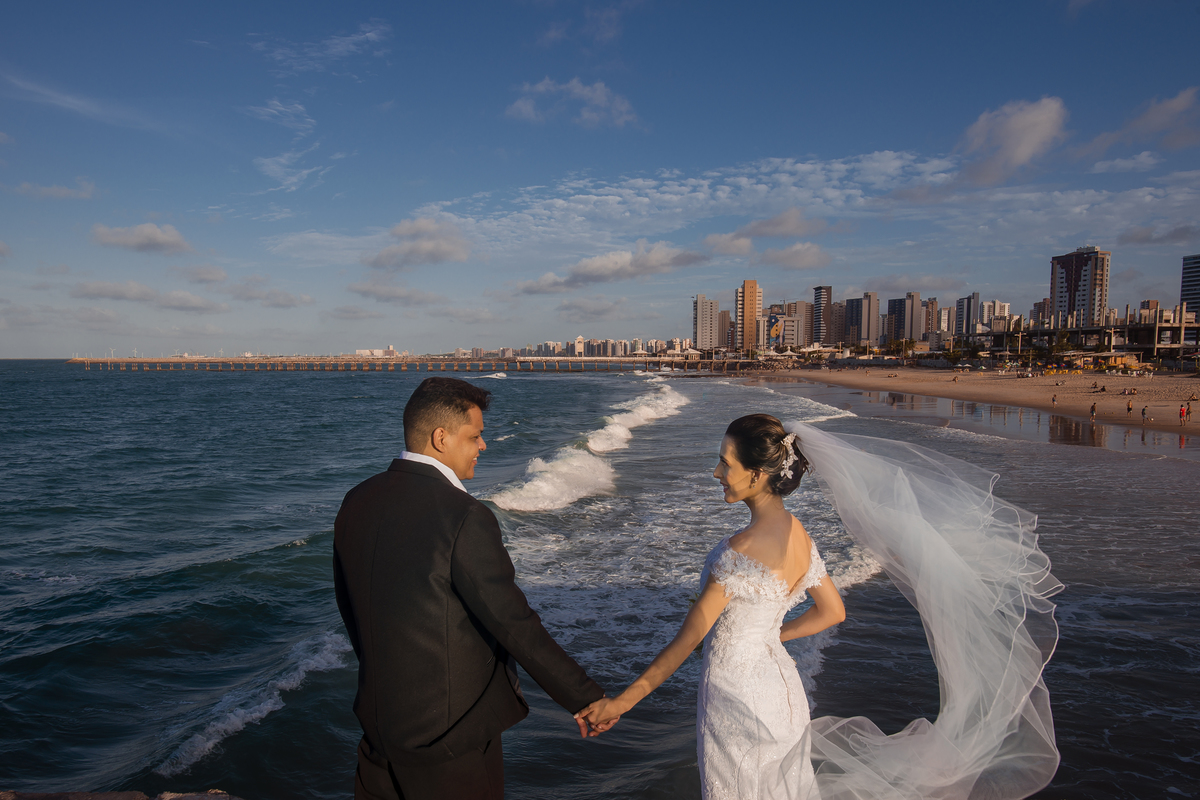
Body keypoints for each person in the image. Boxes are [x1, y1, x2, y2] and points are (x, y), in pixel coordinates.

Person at [579, 416, 1061, 800]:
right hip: (782, 692)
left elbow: (686, 642)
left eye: (725, 463)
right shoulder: (801, 536)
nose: (716, 473)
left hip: (736, 697)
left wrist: (620, 702)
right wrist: (769, 638)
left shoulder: (737, 552)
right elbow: (833, 611)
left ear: (760, 472)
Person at [334, 377, 610, 800]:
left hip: (379, 726)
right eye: (475, 436)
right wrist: (583, 697)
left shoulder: (357, 499)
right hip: (451, 740)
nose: (483, 446)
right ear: (441, 437)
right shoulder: (465, 516)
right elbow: (513, 623)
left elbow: (351, 609)